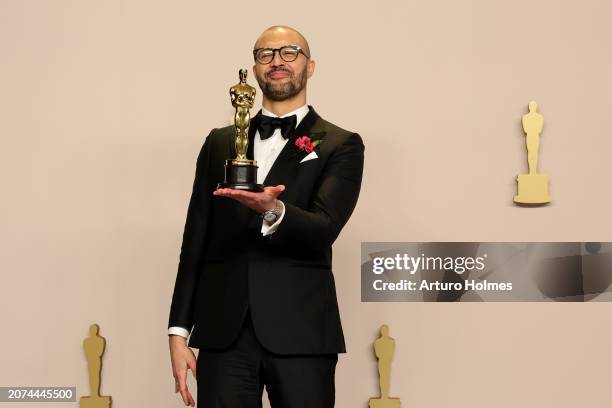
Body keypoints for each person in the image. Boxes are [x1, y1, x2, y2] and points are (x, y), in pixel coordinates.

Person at [167, 25, 365, 407]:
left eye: (290, 52)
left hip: (301, 333)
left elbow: (323, 228)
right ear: (255, 70)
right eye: (266, 54)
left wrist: (273, 210)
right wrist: (178, 331)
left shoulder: (341, 143)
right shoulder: (220, 142)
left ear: (310, 67)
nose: (278, 61)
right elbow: (195, 241)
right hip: (223, 334)